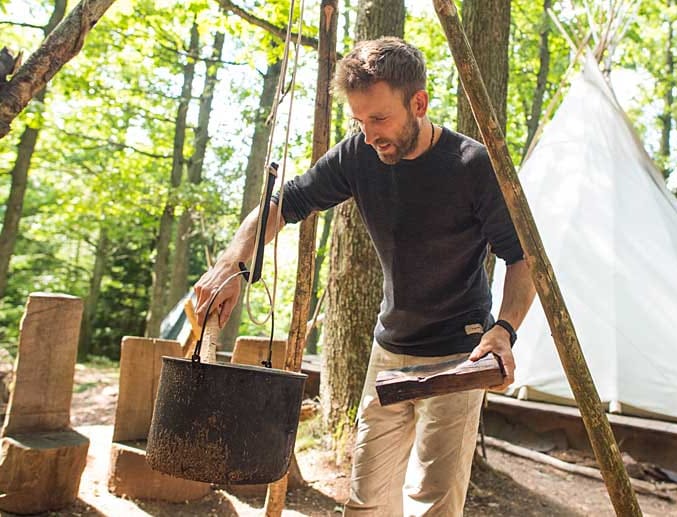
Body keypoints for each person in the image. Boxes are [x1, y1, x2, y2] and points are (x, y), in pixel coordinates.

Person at [194, 37, 536, 516]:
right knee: (366, 501)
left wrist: (505, 330)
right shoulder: (358, 155)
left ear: (418, 102)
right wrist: (233, 266)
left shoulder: (472, 165)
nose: (371, 134)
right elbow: (282, 205)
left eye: (380, 119)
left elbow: (522, 257)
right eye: (360, 120)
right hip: (390, 348)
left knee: (435, 503)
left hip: (461, 353)